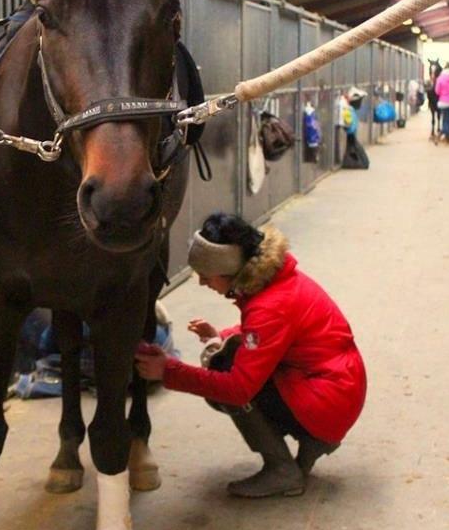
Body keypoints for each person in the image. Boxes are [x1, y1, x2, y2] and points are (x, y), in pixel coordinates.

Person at [135, 213, 367, 499]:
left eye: (206, 277)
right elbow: (267, 336)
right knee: (231, 353)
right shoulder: (275, 279)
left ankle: (283, 469)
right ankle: (312, 444)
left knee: (224, 371)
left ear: (228, 271)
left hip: (328, 399)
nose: (202, 283)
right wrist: (221, 336)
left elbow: (238, 388)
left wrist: (169, 371)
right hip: (336, 387)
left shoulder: (269, 307)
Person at [434, 62, 449, 143]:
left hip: (443, 103)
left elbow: (437, 91)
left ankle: (443, 133)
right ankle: (448, 137)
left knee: (446, 121)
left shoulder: (440, 78)